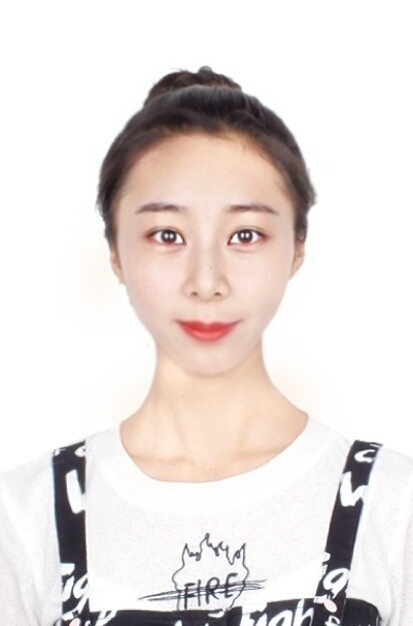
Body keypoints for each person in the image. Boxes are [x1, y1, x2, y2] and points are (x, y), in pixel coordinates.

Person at [0, 66, 412, 626]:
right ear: (116, 250)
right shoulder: (26, 519)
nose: (206, 280)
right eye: (167, 235)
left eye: (245, 234)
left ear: (296, 246)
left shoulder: (394, 506)